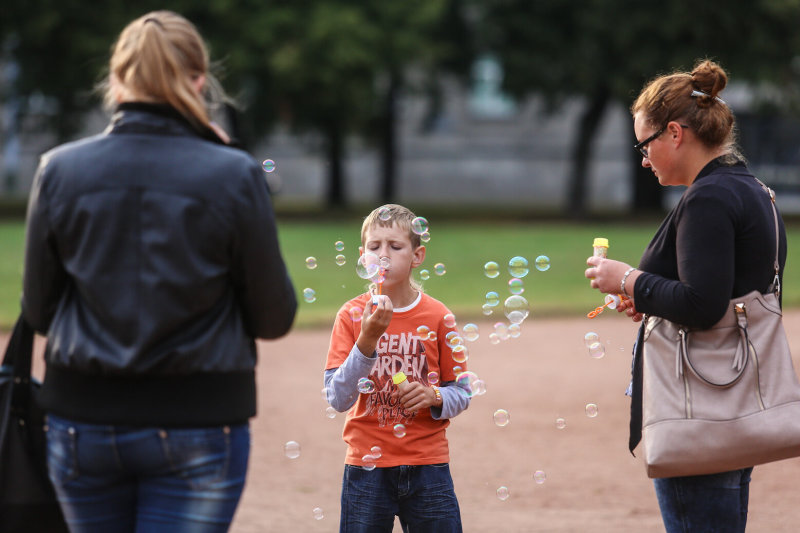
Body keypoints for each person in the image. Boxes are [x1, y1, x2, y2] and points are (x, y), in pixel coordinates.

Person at [21, 10, 297, 532]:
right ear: (199, 81)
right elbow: (273, 318)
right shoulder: (236, 174)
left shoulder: (58, 170)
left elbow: (38, 311)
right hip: (199, 418)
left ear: (117, 81)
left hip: (82, 421)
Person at [584, 59, 787, 532]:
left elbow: (703, 304)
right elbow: (733, 292)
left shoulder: (707, 198)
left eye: (644, 143)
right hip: (733, 397)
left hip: (701, 408)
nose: (642, 158)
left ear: (674, 133)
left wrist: (628, 280)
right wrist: (652, 296)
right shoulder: (755, 190)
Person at [324, 204, 470, 532]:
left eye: (395, 246)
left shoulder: (438, 316)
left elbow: (462, 391)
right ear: (363, 257)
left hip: (428, 464)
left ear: (417, 256)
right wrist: (367, 340)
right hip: (366, 466)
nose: (384, 255)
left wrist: (434, 396)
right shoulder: (351, 316)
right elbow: (337, 397)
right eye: (375, 247)